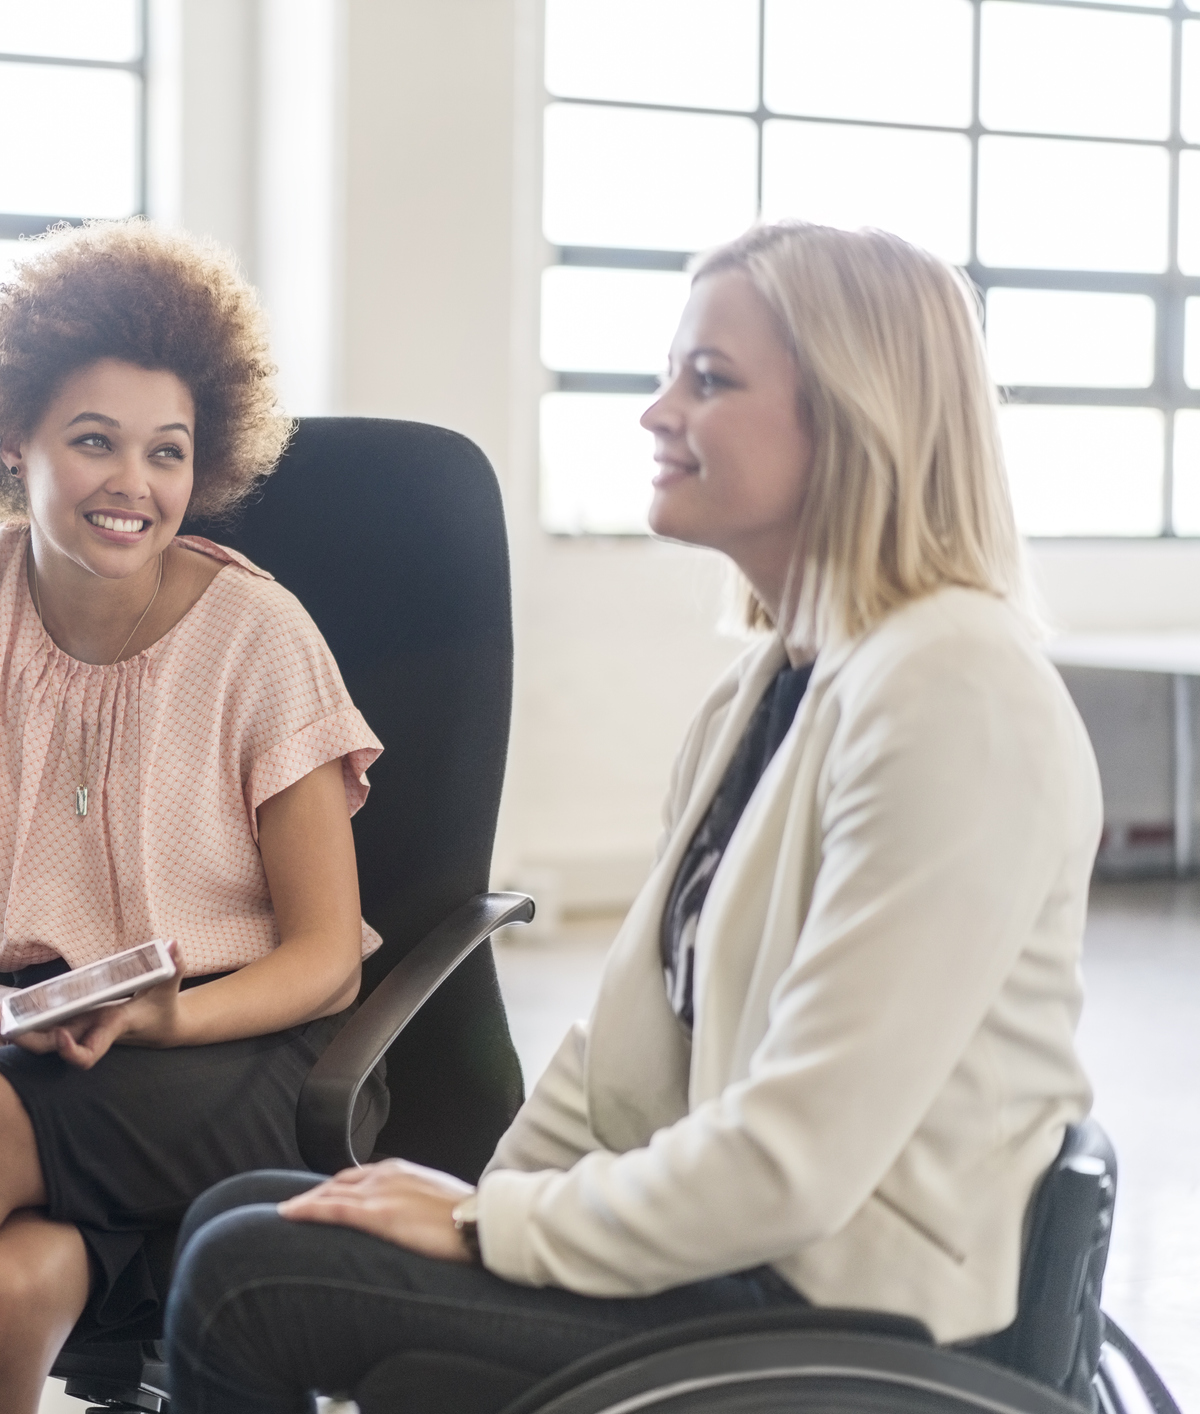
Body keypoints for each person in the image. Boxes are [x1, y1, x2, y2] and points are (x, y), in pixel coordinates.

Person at [165, 221, 1103, 1410]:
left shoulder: (953, 693)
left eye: (707, 380)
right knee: (252, 1211)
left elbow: (792, 1166)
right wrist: (470, 1211)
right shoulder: (770, 681)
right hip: (734, 1260)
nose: (656, 412)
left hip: (843, 1308)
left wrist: (481, 1226)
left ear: (857, 416)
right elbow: (617, 1056)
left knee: (250, 1274)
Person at [0, 219, 384, 1414]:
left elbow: (328, 962)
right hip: (52, 1040)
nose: (134, 483)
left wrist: (162, 1021)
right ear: (12, 440)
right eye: (92, 442)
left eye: (165, 452)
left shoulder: (255, 636)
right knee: (7, 1289)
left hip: (248, 1053)